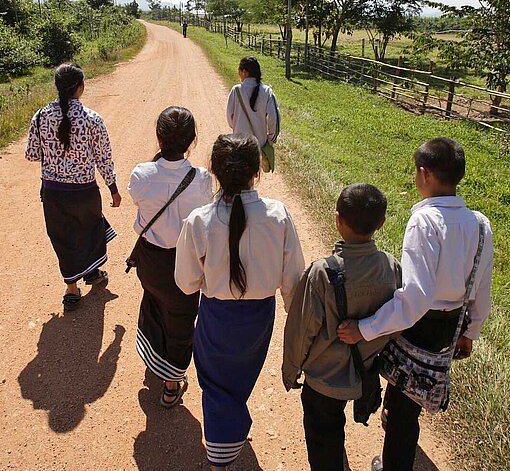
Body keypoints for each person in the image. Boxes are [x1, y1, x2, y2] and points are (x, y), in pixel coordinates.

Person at [337, 138, 494, 471]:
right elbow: (482, 286)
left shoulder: (424, 222)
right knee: (419, 387)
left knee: (403, 405)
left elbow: (415, 297)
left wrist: (364, 329)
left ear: (424, 174)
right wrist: (471, 331)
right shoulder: (480, 224)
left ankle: (395, 464)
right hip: (452, 325)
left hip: (419, 325)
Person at [175, 134, 305, 470]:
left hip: (217, 316)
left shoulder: (199, 221)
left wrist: (210, 276)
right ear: (257, 172)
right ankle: (229, 436)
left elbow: (186, 282)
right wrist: (297, 319)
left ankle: (220, 454)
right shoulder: (278, 215)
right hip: (259, 318)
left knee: (215, 383)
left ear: (214, 172)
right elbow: (293, 280)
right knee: (240, 378)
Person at [282, 184, 402, 471]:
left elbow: (302, 330)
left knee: (323, 436)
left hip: (324, 379)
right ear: (382, 223)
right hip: (367, 372)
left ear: (338, 219)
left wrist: (291, 369)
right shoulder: (391, 267)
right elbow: (398, 321)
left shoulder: (322, 272)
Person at [128, 106, 213, 408]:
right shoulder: (202, 180)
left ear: (158, 136)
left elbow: (139, 201)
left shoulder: (141, 174)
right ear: (192, 140)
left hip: (150, 261)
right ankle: (171, 383)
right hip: (185, 263)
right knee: (180, 319)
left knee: (153, 303)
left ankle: (154, 360)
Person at [25, 62, 121, 311]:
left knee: (63, 238)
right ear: (80, 88)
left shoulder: (40, 116)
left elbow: (32, 154)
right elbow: (104, 158)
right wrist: (112, 187)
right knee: (90, 231)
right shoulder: (92, 119)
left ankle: (72, 289)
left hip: (53, 192)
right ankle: (92, 272)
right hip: (84, 191)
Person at [226, 56, 280, 149]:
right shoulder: (267, 92)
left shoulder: (236, 90)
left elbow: (230, 118)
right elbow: (274, 117)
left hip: (239, 144)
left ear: (244, 72)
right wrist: (271, 139)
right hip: (259, 146)